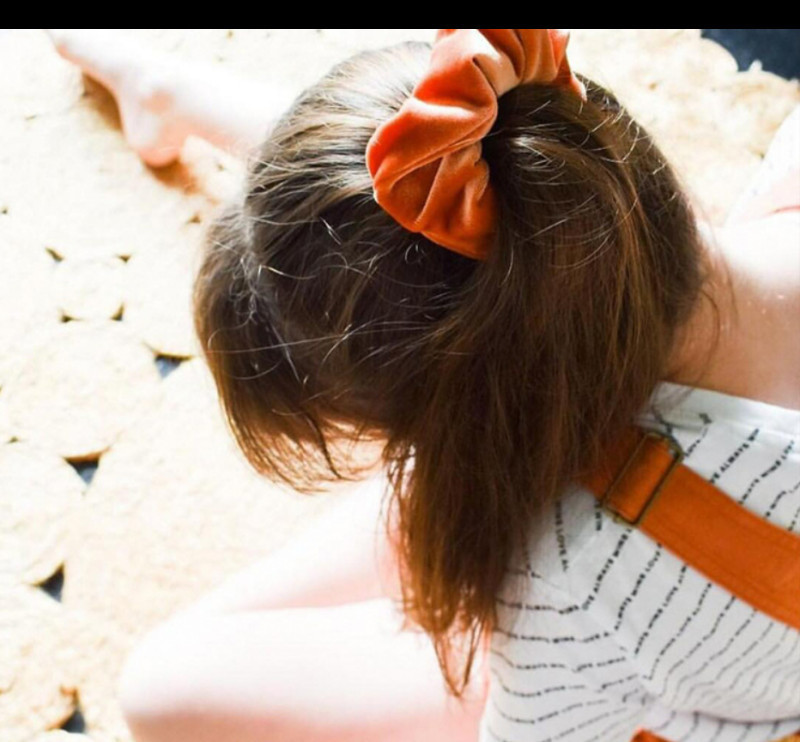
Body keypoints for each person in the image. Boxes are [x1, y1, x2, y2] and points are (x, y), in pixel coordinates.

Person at [45, 29, 800, 742]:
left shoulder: (572, 581)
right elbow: (469, 201)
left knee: (157, 688)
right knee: (413, 242)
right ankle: (169, 90)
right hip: (692, 549)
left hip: (669, 620)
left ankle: (172, 92)